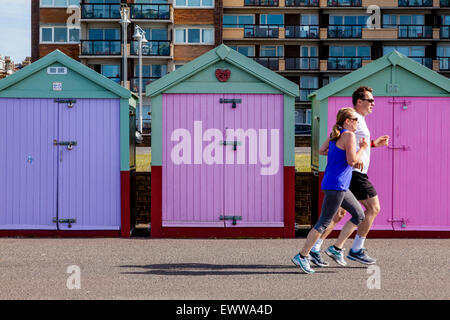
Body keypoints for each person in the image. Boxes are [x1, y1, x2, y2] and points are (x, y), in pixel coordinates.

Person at [309, 86, 390, 268]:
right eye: (370, 101)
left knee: (338, 215)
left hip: (351, 174)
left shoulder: (359, 120)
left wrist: (372, 144)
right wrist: (353, 157)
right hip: (355, 174)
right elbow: (337, 140)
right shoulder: (354, 119)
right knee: (373, 208)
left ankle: (316, 248)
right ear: (359, 102)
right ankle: (355, 249)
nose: (373, 104)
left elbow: (338, 142)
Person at [292, 107, 368, 274]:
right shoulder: (349, 135)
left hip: (336, 184)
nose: (357, 123)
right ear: (347, 121)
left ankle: (335, 249)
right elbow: (351, 161)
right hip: (337, 185)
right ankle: (302, 255)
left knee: (359, 215)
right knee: (323, 222)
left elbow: (322, 151)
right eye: (355, 120)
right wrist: (362, 148)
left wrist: (339, 155)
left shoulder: (336, 133)